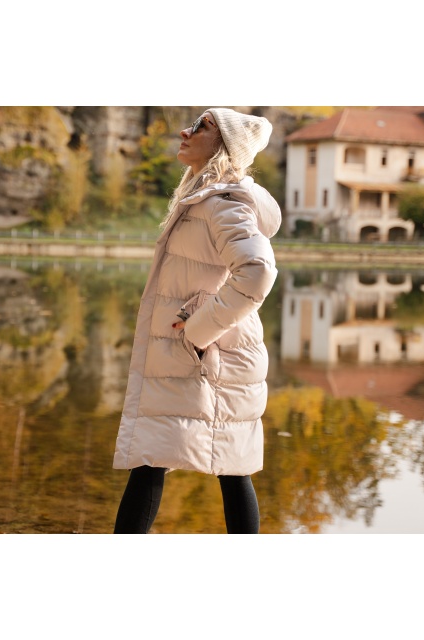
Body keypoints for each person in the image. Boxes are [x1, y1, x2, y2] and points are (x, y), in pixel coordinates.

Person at [112, 108, 281, 534]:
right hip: (200, 353)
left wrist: (199, 329)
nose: (184, 131)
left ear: (224, 144)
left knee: (222, 466)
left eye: (201, 127)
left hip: (212, 354)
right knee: (162, 456)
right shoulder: (204, 197)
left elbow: (257, 271)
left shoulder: (223, 203)